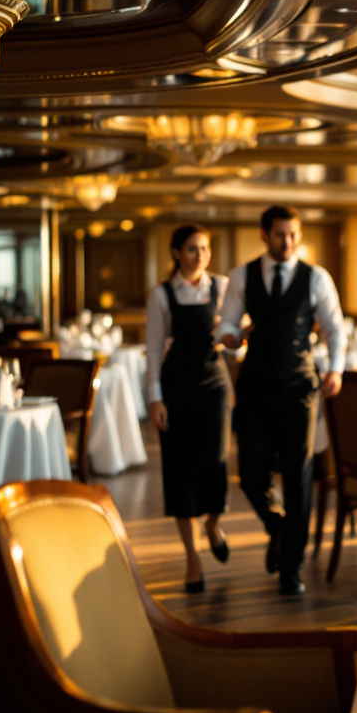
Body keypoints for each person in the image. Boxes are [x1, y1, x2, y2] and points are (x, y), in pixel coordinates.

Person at [218, 205, 345, 596]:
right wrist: (232, 337)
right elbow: (227, 324)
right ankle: (278, 525)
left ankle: (291, 567)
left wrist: (336, 369)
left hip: (299, 390)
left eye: (293, 235)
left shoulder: (315, 278)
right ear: (264, 234)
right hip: (254, 388)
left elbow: (335, 328)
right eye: (279, 235)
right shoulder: (242, 276)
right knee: (252, 475)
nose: (287, 242)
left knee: (299, 479)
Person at [145, 224, 231, 593]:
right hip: (176, 387)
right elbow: (152, 350)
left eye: (206, 249)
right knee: (179, 470)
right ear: (177, 252)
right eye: (194, 249)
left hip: (215, 386)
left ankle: (213, 524)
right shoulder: (161, 295)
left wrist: (233, 337)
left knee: (216, 464)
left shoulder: (223, 287)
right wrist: (155, 398)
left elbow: (235, 344)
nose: (201, 255)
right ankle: (192, 558)